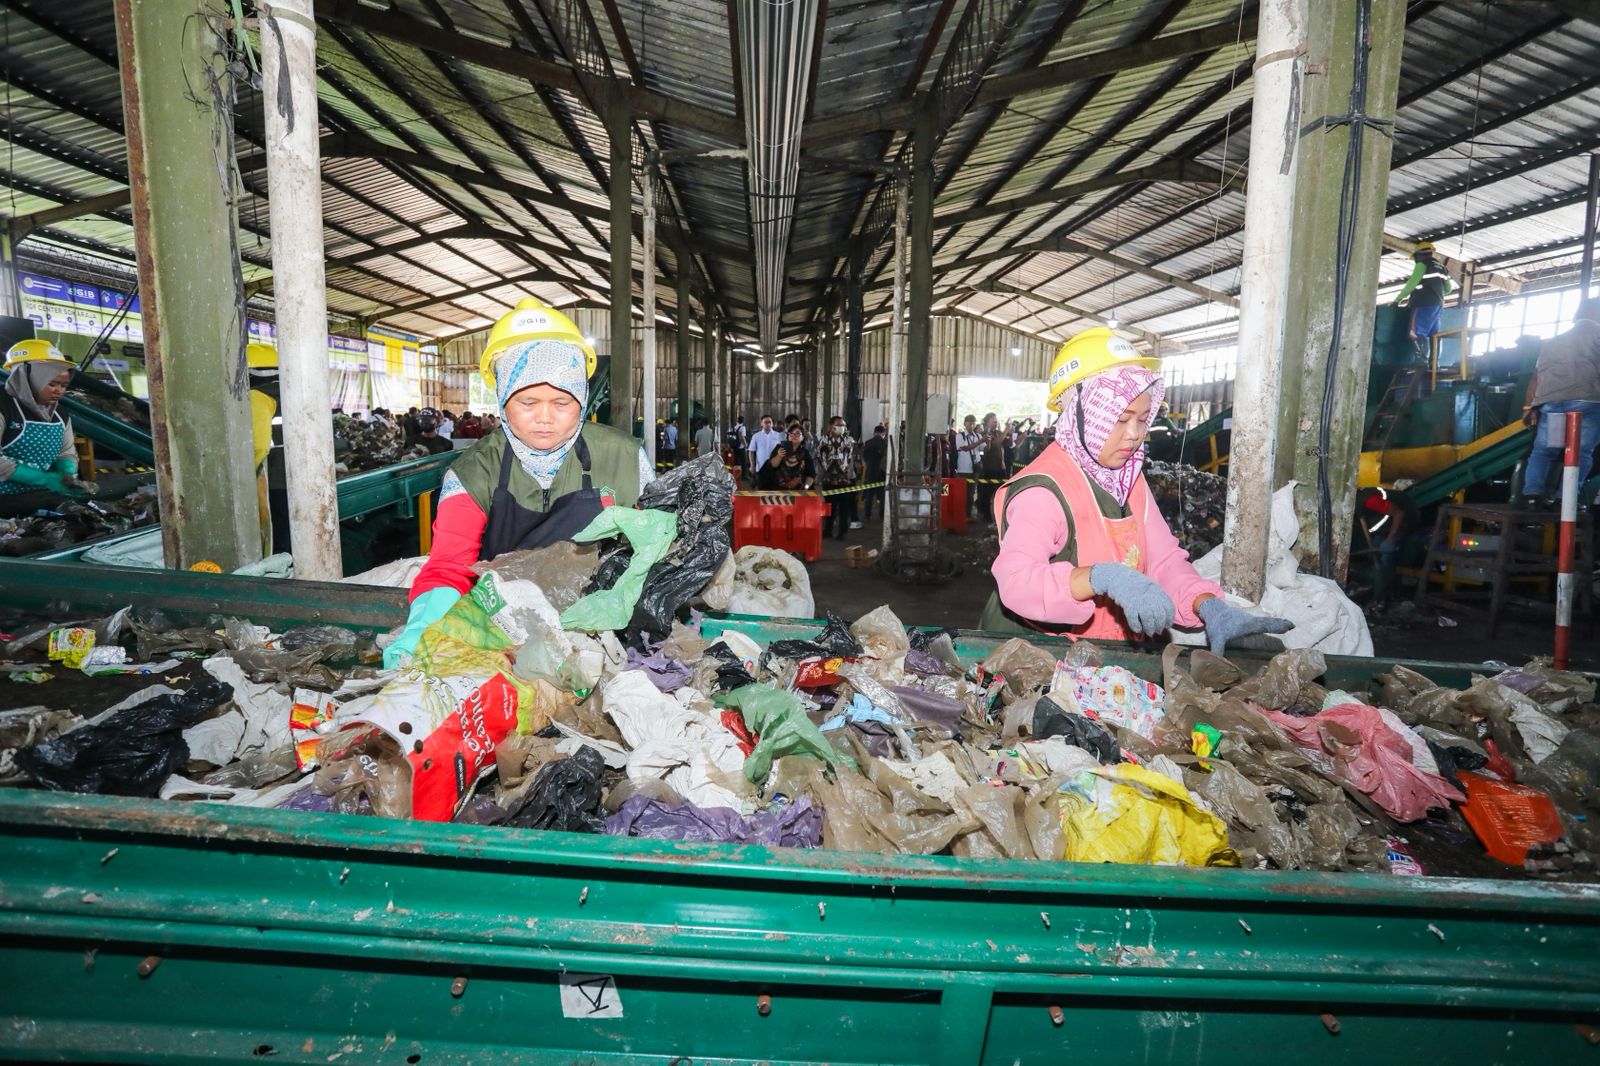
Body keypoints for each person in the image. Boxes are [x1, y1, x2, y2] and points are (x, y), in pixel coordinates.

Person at [979, 328, 1292, 654]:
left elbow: (1163, 559)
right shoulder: (1044, 489)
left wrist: (1206, 604)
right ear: (1081, 415)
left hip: (1105, 645)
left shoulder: (1128, 479)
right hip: (1035, 647)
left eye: (1142, 420)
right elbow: (1018, 582)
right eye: (1120, 420)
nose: (1134, 435)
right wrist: (1100, 578)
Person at [385, 298, 652, 668]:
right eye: (528, 402)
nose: (545, 418)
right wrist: (421, 636)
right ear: (502, 397)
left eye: (561, 403)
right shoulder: (473, 472)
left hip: (604, 630)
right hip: (503, 631)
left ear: (582, 399)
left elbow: (655, 551)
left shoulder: (625, 459)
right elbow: (449, 567)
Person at [1518, 298, 1600, 509]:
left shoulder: (1553, 342)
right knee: (1580, 451)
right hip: (1587, 403)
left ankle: (1531, 496)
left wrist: (1528, 408)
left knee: (1545, 451)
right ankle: (1565, 499)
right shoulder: (1598, 335)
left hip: (1552, 404)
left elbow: (1535, 377)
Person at [0, 340, 83, 498]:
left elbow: (66, 452)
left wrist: (67, 475)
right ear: (26, 378)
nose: (59, 391)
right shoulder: (4, 406)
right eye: (52, 384)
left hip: (37, 497)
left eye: (63, 385)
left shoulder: (59, 413)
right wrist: (44, 479)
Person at [246, 342, 290, 554]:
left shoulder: (258, 398)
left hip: (273, 483)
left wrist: (244, 476)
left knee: (277, 542)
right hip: (298, 481)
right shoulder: (292, 396)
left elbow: (258, 446)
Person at [1393, 241, 1454, 359]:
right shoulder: (1442, 268)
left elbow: (1411, 284)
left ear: (1420, 255)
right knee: (1434, 335)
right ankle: (1434, 363)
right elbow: (1448, 289)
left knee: (1414, 332)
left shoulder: (1422, 265)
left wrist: (1398, 300)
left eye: (1416, 257)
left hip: (1423, 304)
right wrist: (1435, 292)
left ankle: (1421, 362)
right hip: (1438, 306)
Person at [817, 415, 861, 538]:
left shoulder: (848, 440)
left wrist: (850, 475)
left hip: (844, 479)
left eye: (843, 425)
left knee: (844, 507)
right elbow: (821, 458)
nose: (841, 427)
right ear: (831, 426)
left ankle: (842, 531)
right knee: (829, 506)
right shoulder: (823, 440)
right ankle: (828, 530)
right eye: (838, 425)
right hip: (828, 479)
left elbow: (851, 458)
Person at [758, 424, 815, 491]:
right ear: (788, 437)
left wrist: (805, 488)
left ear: (802, 437)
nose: (793, 436)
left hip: (798, 492)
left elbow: (811, 475)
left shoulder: (805, 453)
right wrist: (779, 456)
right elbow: (772, 465)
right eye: (791, 433)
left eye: (797, 433)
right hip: (777, 491)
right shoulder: (779, 448)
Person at [975, 412, 1007, 522]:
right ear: (987, 422)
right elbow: (995, 444)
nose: (995, 421)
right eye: (993, 419)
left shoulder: (998, 432)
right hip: (989, 468)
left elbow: (1009, 443)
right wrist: (1006, 431)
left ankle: (1002, 516)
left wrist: (1009, 432)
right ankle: (986, 516)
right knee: (987, 494)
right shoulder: (985, 434)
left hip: (1000, 467)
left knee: (1003, 492)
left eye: (996, 419)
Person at [952, 414, 983, 518]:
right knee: (961, 494)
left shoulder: (978, 436)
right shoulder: (959, 436)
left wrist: (988, 441)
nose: (971, 425)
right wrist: (981, 441)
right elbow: (965, 448)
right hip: (963, 469)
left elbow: (984, 449)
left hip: (974, 469)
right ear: (965, 424)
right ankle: (959, 515)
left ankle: (968, 515)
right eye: (970, 423)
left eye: (973, 423)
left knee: (971, 494)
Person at [860, 422, 888, 522]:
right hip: (882, 471)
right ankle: (882, 514)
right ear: (883, 433)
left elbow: (864, 457)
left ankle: (867, 514)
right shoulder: (885, 443)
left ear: (874, 432)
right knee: (882, 494)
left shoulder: (868, 443)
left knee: (869, 494)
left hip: (870, 470)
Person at [748, 414, 783, 479]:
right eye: (766, 422)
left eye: (770, 422)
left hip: (776, 469)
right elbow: (751, 451)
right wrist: (752, 465)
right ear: (761, 424)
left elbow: (783, 451)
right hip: (760, 468)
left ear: (772, 424)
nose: (768, 424)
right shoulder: (756, 436)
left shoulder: (778, 436)